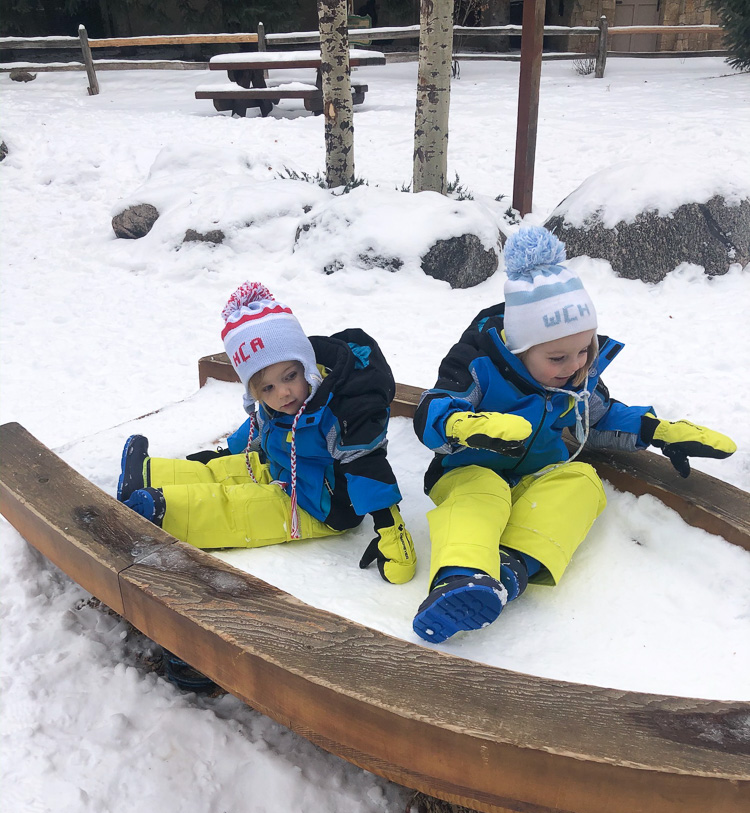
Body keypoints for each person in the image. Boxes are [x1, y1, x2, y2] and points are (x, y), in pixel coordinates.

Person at [411, 226, 736, 644]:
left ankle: (511, 567)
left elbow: (597, 418)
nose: (574, 364)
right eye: (558, 357)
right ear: (519, 348)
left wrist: (657, 431)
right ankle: (461, 578)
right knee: (483, 491)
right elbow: (433, 408)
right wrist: (465, 426)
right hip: (467, 472)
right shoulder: (479, 364)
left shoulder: (576, 378)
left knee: (583, 482)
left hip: (536, 473)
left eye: (585, 350)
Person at [117, 281, 416, 588]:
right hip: (284, 470)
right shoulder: (280, 404)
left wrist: (390, 532)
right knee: (225, 470)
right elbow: (262, 426)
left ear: (307, 366)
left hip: (319, 506)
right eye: (268, 388)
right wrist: (229, 453)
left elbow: (368, 470)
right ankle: (148, 474)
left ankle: (165, 511)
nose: (283, 393)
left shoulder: (341, 414)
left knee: (237, 507)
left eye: (290, 376)